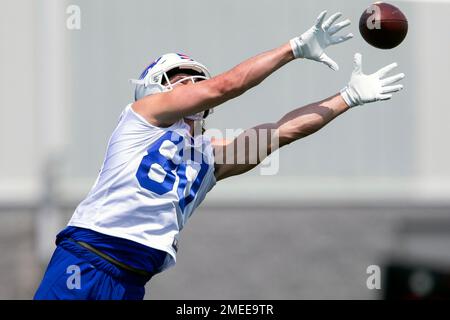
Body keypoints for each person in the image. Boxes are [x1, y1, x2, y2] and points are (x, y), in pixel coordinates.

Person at [34, 10, 404, 300]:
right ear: (153, 88)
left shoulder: (211, 157)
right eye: (182, 78)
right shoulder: (143, 119)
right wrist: (293, 47)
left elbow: (283, 131)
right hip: (85, 257)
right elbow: (225, 85)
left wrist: (347, 98)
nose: (194, 85)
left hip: (133, 277)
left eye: (198, 78)